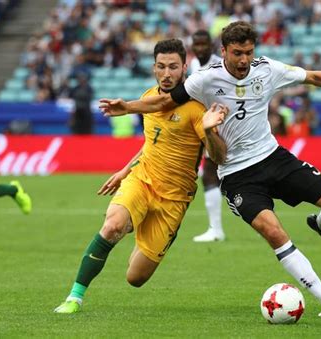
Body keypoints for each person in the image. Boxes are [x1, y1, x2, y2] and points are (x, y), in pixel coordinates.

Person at [99, 21, 321, 317]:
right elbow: (166, 100)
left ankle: (320, 225)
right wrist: (128, 106)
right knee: (273, 231)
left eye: (248, 52)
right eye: (237, 53)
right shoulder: (204, 80)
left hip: (273, 158)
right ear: (224, 52)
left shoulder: (267, 69)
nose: (244, 59)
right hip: (237, 176)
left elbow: (311, 77)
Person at [54, 39, 227, 314]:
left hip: (174, 199)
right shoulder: (147, 99)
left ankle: (139, 225)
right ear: (153, 68)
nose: (167, 73)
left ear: (184, 68)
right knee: (111, 226)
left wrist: (208, 131)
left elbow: (218, 157)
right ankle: (74, 297)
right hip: (142, 179)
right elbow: (151, 143)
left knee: (135, 278)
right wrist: (125, 170)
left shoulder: (197, 109)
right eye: (161, 67)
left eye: (173, 67)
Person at [189, 30, 225, 242]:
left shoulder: (219, 66)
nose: (200, 48)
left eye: (204, 44)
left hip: (219, 126)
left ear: (211, 46)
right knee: (212, 175)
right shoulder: (194, 65)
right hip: (204, 126)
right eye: (197, 44)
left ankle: (216, 230)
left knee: (211, 174)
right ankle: (216, 229)